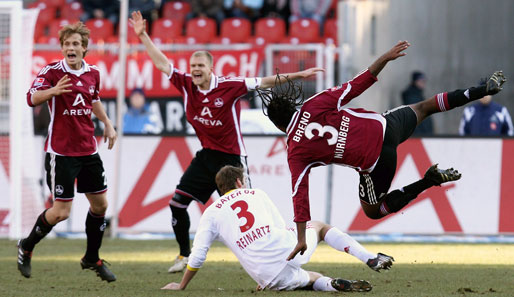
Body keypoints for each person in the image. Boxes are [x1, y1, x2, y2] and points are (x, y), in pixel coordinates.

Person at [257, 40, 506, 259]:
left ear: (278, 125)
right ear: (293, 106)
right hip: (385, 126)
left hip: (377, 161)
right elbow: (356, 85)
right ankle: (479, 90)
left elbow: (300, 194)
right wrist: (384, 58)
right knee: (424, 107)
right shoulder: (313, 104)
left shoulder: (295, 151)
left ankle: (427, 182)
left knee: (373, 211)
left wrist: (302, 237)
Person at [129, 10, 324, 273]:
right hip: (207, 156)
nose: (195, 71)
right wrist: (143, 36)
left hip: (232, 159)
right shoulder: (186, 84)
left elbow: (263, 82)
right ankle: (184, 255)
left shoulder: (229, 86)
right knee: (177, 204)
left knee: (250, 215)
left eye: (200, 67)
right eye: (193, 67)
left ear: (211, 69)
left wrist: (297, 76)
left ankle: (279, 256)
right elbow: (163, 63)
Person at [161, 165, 393, 292]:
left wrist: (182, 286)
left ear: (220, 189)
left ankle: (332, 285)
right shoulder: (256, 193)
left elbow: (199, 255)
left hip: (265, 274)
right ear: (240, 182)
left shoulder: (211, 213)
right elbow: (281, 226)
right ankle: (370, 258)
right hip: (287, 248)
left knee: (312, 279)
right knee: (320, 227)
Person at [19, 22, 117, 282]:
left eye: (76, 44)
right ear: (62, 47)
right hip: (60, 152)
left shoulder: (93, 73)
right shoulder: (52, 71)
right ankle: (26, 246)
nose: (70, 48)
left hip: (88, 149)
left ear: (84, 48)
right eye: (67, 44)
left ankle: (91, 258)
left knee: (101, 205)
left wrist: (107, 124)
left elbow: (94, 100)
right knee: (61, 213)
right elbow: (30, 98)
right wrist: (52, 91)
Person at [401, 71, 434, 135]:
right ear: (415, 81)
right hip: (418, 134)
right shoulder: (411, 96)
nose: (423, 83)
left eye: (424, 81)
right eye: (421, 81)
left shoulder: (418, 95)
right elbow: (416, 116)